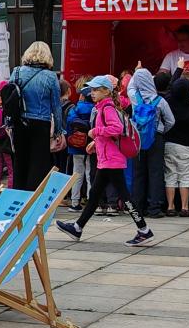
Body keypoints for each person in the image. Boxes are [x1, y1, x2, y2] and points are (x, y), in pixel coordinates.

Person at [58, 76, 153, 245]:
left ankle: (144, 229)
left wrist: (95, 132)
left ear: (107, 91)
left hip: (111, 161)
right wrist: (96, 143)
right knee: (95, 195)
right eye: (92, 90)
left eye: (96, 90)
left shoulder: (107, 108)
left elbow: (116, 128)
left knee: (123, 196)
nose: (92, 93)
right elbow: (110, 134)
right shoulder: (103, 107)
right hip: (107, 159)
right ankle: (77, 227)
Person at [125, 67, 171, 234]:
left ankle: (138, 206)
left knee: (138, 173)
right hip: (156, 139)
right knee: (155, 173)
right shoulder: (160, 100)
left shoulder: (134, 97)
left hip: (137, 139)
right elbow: (171, 120)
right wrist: (160, 131)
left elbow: (130, 86)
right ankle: (154, 208)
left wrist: (136, 72)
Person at [9, 43, 60, 191]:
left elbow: (10, 98)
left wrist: (9, 122)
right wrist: (58, 130)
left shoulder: (16, 72)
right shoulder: (51, 76)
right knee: (39, 163)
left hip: (19, 121)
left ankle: (19, 195)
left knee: (20, 161)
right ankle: (35, 195)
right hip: (41, 123)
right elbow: (56, 106)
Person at [161, 68, 189, 215]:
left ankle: (170, 207)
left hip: (169, 144)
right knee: (185, 177)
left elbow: (170, 88)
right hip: (186, 146)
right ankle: (184, 207)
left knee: (170, 176)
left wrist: (178, 70)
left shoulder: (168, 102)